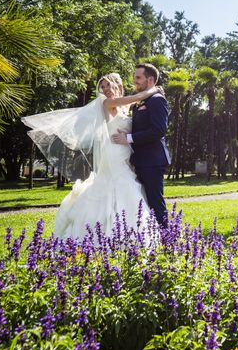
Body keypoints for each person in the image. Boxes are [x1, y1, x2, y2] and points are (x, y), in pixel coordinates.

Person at [22, 73, 158, 239]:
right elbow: (135, 97)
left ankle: (126, 230)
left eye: (108, 85)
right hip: (113, 153)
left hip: (124, 151)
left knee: (121, 183)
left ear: (118, 85)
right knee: (120, 184)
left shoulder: (123, 106)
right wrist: (154, 89)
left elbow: (129, 110)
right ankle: (113, 233)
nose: (105, 89)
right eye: (103, 87)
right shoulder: (107, 103)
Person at [111, 63, 171, 226]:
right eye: (134, 77)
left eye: (138, 77)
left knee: (155, 202)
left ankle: (167, 242)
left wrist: (129, 138)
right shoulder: (141, 101)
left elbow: (158, 130)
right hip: (140, 160)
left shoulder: (157, 100)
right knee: (144, 202)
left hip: (152, 160)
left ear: (150, 79)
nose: (134, 81)